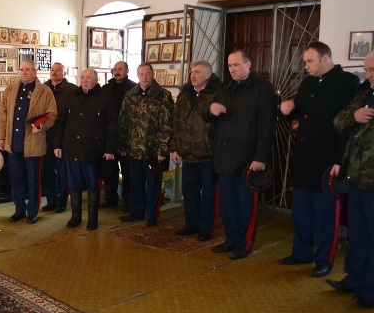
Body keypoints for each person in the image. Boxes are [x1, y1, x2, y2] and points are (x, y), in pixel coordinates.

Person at [277, 42, 359, 277]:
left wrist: (340, 160)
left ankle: (324, 260)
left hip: (328, 159)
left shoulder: (347, 82)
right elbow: (300, 112)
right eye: (305, 62)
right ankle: (300, 253)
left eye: (310, 61)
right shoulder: (308, 82)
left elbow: (349, 126)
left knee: (325, 216)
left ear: (325, 58)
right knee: (301, 213)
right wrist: (286, 110)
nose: (306, 66)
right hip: (304, 158)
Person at [202, 50, 277, 260]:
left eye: (236, 65)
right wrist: (210, 109)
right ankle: (230, 239)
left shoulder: (262, 88)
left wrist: (260, 157)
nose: (232, 69)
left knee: (246, 205)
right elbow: (206, 113)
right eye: (229, 66)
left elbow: (267, 125)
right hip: (225, 156)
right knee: (227, 204)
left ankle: (244, 244)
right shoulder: (225, 87)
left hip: (248, 159)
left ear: (248, 64)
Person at [326, 50, 374, 308]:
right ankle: (354, 279)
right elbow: (338, 121)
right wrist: (354, 117)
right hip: (355, 176)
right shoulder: (364, 93)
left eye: (373, 70)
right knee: (358, 233)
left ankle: (370, 289)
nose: (368, 75)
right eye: (367, 70)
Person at [54, 68, 118, 230]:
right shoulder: (71, 96)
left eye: (88, 77)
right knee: (74, 185)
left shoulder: (106, 98)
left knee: (92, 186)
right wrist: (57, 145)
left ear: (96, 79)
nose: (85, 80)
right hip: (71, 149)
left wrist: (110, 149)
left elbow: (112, 125)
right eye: (82, 77)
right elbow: (61, 123)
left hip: (93, 151)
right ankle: (75, 216)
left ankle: (92, 219)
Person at [0, 60, 57, 224]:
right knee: (16, 180)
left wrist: (43, 125)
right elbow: (2, 116)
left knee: (33, 181)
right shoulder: (10, 89)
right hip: (13, 143)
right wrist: (1, 137)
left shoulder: (45, 91)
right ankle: (19, 209)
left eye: (28, 69)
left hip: (33, 144)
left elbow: (52, 114)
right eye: (22, 69)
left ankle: (32, 211)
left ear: (35, 72)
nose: (24, 72)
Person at [119, 63, 174, 227]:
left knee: (153, 185)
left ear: (152, 74)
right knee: (135, 183)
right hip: (134, 149)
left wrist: (163, 149)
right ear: (137, 75)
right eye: (141, 74)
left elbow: (166, 124)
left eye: (147, 74)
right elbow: (123, 122)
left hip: (153, 151)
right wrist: (123, 145)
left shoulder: (163, 95)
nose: (144, 77)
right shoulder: (130, 95)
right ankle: (135, 212)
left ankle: (151, 215)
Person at [170, 61, 220, 241]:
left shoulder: (217, 94)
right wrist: (174, 148)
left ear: (207, 75)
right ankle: (191, 224)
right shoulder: (184, 95)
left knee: (208, 194)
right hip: (188, 152)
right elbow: (175, 123)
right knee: (189, 192)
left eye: (197, 72)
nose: (193, 75)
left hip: (208, 154)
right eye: (192, 72)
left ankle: (205, 228)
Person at [42, 62, 77, 213]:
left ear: (64, 73)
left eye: (58, 70)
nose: (54, 72)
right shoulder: (42, 88)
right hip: (44, 136)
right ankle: (51, 200)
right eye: (52, 70)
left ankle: (62, 201)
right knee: (47, 171)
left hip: (63, 137)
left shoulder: (72, 90)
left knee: (63, 173)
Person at [101, 61, 136, 209]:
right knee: (109, 170)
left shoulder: (134, 88)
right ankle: (110, 198)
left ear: (127, 71)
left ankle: (129, 201)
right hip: (109, 135)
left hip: (127, 136)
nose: (117, 71)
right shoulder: (106, 88)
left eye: (120, 69)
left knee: (127, 171)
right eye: (115, 69)